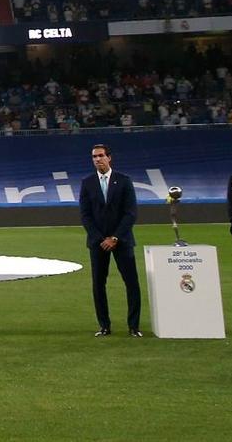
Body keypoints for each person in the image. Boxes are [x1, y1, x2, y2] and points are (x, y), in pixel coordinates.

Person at [78, 143, 141, 336]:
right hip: (98, 243)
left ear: (109, 157)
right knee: (98, 285)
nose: (97, 159)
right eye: (94, 157)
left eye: (101, 156)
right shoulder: (87, 183)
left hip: (122, 241)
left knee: (131, 283)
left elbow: (130, 213)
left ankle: (133, 326)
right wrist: (100, 238)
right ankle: (104, 326)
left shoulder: (124, 181)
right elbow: (85, 215)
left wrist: (114, 237)